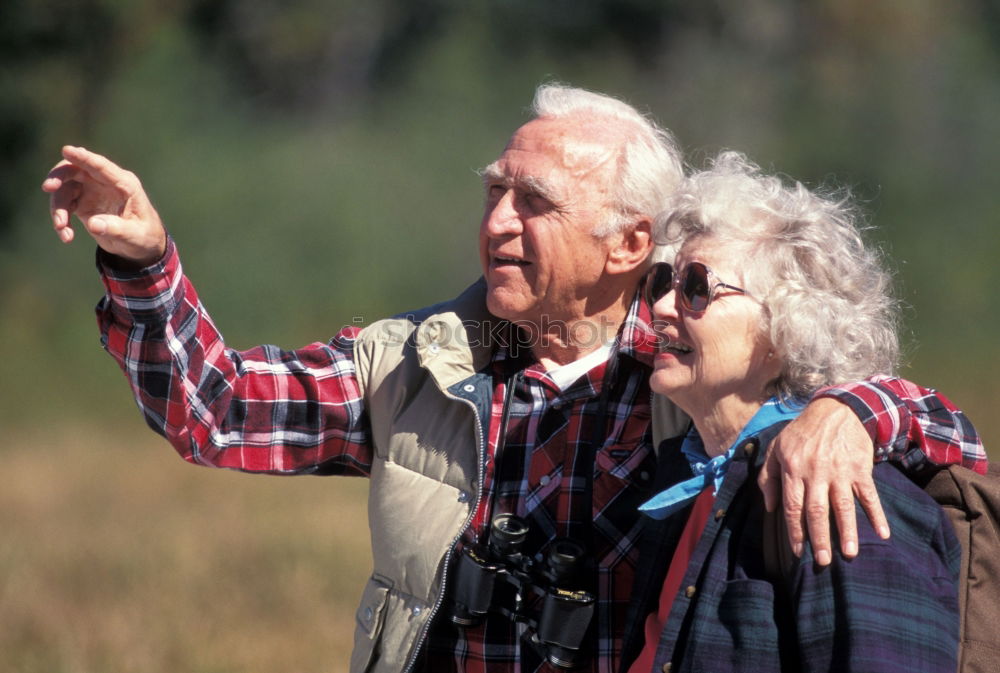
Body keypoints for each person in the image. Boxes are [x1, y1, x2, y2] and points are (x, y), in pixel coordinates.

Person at [42, 85, 983, 673]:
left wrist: (853, 407)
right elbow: (214, 410)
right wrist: (146, 262)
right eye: (494, 190)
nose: (496, 221)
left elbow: (946, 439)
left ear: (629, 244)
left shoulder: (687, 377)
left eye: (534, 202)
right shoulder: (415, 362)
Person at [620, 151, 965, 673]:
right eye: (663, 282)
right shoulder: (686, 482)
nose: (663, 307)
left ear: (786, 329)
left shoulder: (841, 494)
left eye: (696, 288)